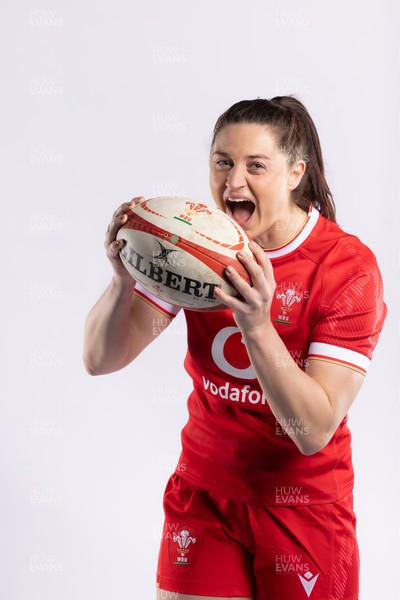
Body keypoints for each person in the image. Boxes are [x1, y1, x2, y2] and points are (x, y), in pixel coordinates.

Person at [83, 97, 386, 600]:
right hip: (204, 496)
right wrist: (123, 280)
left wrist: (257, 326)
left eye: (255, 166)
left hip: (303, 507)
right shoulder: (195, 245)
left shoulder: (346, 269)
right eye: (222, 161)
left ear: (295, 173)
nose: (233, 183)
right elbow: (99, 359)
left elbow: (312, 431)